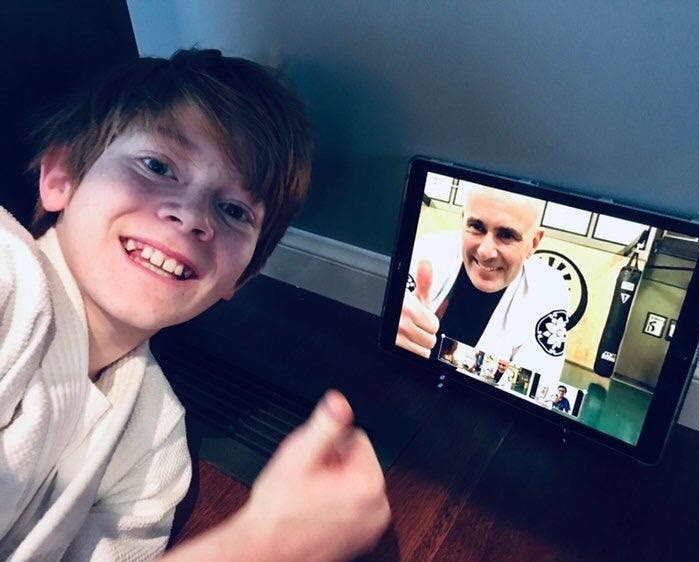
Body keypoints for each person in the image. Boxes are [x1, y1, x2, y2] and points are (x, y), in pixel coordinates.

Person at [0, 49, 389, 561]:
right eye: (157, 166)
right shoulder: (8, 278)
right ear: (60, 178)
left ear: (242, 279)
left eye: (233, 210)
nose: (191, 217)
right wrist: (259, 546)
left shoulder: (156, 441)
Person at [396, 185, 569, 382]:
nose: (485, 252)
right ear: (463, 219)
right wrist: (393, 323)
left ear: (534, 242)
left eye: (507, 235)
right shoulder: (426, 251)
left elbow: (534, 387)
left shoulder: (549, 291)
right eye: (477, 227)